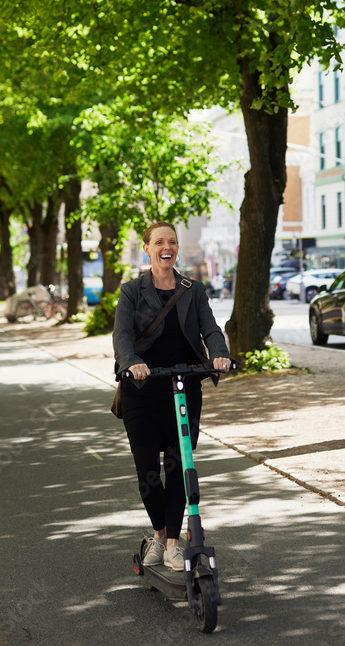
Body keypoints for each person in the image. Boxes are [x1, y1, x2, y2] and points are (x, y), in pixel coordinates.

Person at [113, 221, 231, 571]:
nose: (168, 247)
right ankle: (158, 533)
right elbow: (121, 335)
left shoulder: (192, 289)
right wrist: (132, 362)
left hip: (183, 386)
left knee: (181, 468)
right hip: (142, 390)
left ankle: (172, 543)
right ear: (147, 248)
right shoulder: (131, 291)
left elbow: (210, 328)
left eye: (173, 241)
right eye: (160, 242)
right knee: (148, 472)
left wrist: (219, 354)